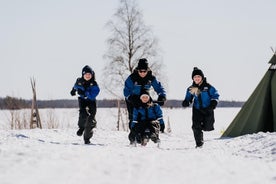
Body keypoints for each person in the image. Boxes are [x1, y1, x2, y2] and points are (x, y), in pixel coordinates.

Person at [123, 58, 166, 143]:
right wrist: (131, 98)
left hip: (145, 98)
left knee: (147, 118)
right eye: (140, 71)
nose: (142, 73)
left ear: (147, 70)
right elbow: (126, 90)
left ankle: (146, 135)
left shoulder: (151, 78)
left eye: (144, 71)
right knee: (134, 118)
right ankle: (134, 137)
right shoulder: (132, 78)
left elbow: (159, 87)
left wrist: (162, 96)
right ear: (138, 70)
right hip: (133, 100)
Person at [182, 67, 219, 148]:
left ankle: (201, 128)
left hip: (207, 108)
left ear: (202, 77)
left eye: (198, 77)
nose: (197, 78)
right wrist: (186, 102)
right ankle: (199, 143)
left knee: (208, 127)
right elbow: (189, 97)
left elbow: (215, 95)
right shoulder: (193, 88)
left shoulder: (207, 87)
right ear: (193, 78)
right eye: (195, 77)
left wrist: (214, 102)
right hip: (197, 109)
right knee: (195, 126)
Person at [70, 65, 100, 144]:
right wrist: (73, 91)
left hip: (91, 102)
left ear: (92, 75)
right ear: (83, 75)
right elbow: (75, 86)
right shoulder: (79, 81)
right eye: (86, 74)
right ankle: (81, 127)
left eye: (89, 74)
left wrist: (85, 93)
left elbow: (94, 94)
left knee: (90, 120)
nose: (87, 76)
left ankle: (87, 138)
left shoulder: (94, 84)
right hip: (83, 101)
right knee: (83, 114)